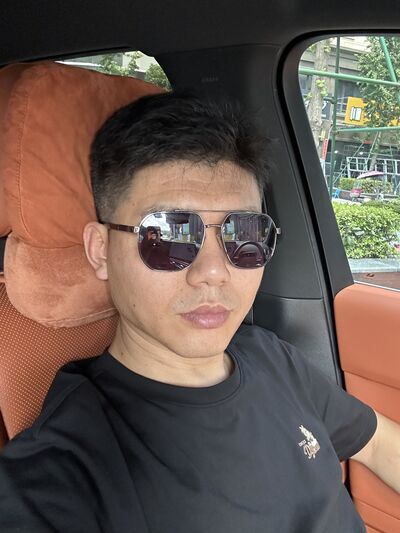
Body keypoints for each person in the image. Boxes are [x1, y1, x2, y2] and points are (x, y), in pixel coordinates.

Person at [0, 91, 399, 533]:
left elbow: (376, 442)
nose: (213, 272)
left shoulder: (270, 355)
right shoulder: (71, 465)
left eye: (243, 233)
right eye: (168, 234)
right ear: (101, 251)